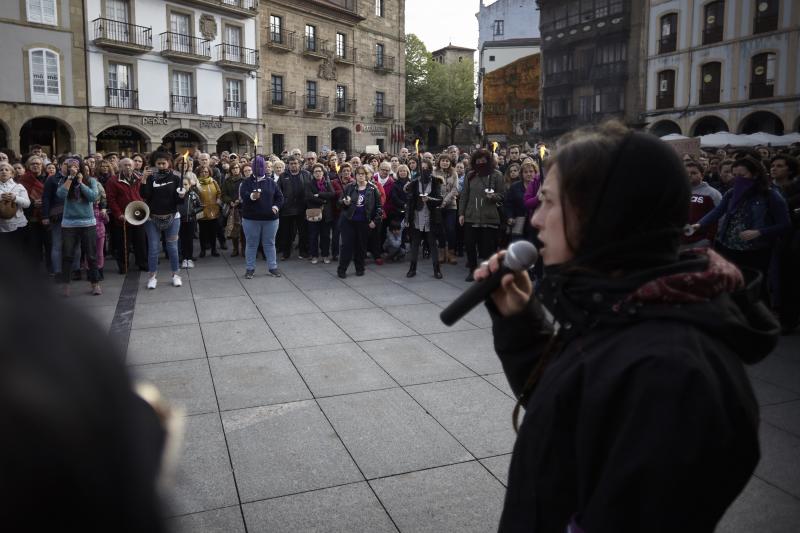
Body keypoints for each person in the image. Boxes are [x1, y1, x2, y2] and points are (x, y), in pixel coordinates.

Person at [475, 122, 779, 532]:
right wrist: (520, 322)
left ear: (602, 212)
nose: (536, 220)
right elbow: (571, 408)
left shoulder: (671, 376)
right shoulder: (623, 307)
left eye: (548, 201)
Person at [693, 156, 790, 297]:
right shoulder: (732, 192)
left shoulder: (770, 195)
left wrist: (759, 232)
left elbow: (785, 225)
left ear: (755, 174)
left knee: (753, 287)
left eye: (742, 175)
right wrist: (699, 224)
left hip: (755, 250)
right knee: (731, 284)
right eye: (735, 175)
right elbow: (718, 211)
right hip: (728, 246)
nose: (738, 178)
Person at [56, 158, 102, 296]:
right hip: (69, 224)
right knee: (68, 254)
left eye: (76, 167)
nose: (73, 169)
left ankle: (95, 284)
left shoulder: (91, 181)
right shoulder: (64, 180)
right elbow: (61, 195)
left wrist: (81, 183)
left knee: (91, 255)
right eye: (70, 167)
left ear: (81, 167)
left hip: (87, 223)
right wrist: (70, 178)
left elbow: (93, 197)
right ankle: (66, 285)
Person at [140, 152, 185, 290]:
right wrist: (143, 179)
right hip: (152, 217)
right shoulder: (151, 177)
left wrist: (182, 195)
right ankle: (152, 277)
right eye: (158, 163)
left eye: (163, 163)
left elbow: (178, 200)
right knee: (153, 248)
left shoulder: (176, 177)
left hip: (172, 216)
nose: (161, 166)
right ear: (154, 164)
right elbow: (144, 195)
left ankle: (175, 275)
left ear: (169, 163)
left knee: (172, 247)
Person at [459, 148, 505, 281]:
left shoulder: (497, 175)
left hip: (489, 216)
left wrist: (493, 196)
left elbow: (502, 195)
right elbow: (464, 196)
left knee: (487, 246)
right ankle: (472, 269)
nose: (480, 162)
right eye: (478, 160)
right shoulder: (470, 175)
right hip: (471, 215)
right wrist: (461, 213)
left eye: (483, 160)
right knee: (469, 244)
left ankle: (487, 270)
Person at [240, 156, 284, 279]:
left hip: (270, 219)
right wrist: (252, 196)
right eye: (256, 166)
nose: (259, 168)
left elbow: (280, 197)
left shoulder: (271, 182)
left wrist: (275, 207)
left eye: (261, 166)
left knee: (269, 243)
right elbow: (243, 196)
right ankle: (250, 268)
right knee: (251, 244)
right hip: (251, 219)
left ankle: (272, 267)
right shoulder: (246, 182)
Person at [337, 165, 381, 278]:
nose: (360, 176)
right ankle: (342, 269)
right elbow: (339, 203)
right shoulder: (349, 187)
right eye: (358, 174)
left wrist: (375, 221)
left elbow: (379, 207)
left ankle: (360, 268)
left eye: (363, 174)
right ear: (355, 175)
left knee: (361, 247)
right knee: (347, 246)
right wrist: (344, 202)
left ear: (367, 176)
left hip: (364, 222)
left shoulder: (372, 189)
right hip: (349, 221)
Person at [106, 158, 147, 274]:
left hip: (139, 215)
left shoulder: (139, 178)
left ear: (133, 166)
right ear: (120, 167)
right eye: (125, 165)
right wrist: (118, 214)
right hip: (123, 217)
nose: (128, 167)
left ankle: (142, 263)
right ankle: (124, 265)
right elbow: (111, 199)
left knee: (141, 241)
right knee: (123, 243)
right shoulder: (113, 181)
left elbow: (144, 194)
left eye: (129, 165)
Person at [405, 159, 443, 279]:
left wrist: (430, 199)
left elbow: (440, 199)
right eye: (422, 168)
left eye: (426, 168)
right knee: (415, 244)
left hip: (430, 216)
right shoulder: (414, 182)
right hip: (417, 216)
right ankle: (412, 268)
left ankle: (437, 269)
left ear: (430, 169)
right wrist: (407, 218)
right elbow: (409, 200)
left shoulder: (436, 182)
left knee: (432, 244)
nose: (424, 170)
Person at [683, 160, 722, 249]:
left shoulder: (712, 193)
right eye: (686, 173)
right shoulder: (679, 191)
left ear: (702, 174)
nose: (689, 175)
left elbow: (721, 217)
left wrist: (709, 238)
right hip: (679, 241)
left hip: (701, 241)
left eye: (693, 173)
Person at [277, 156, 310, 260]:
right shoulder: (283, 176)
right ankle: (286, 253)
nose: (293, 165)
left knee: (303, 232)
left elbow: (311, 188)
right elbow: (278, 192)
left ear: (299, 164)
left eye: (295, 163)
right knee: (287, 232)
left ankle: (303, 251)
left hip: (302, 208)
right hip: (287, 209)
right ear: (288, 165)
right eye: (291, 164)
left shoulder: (306, 174)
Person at [305, 163, 336, 264]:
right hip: (314, 213)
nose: (318, 173)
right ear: (312, 173)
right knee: (313, 236)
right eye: (316, 172)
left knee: (325, 236)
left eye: (320, 171)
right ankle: (314, 255)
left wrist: (319, 194)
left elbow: (332, 194)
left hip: (326, 214)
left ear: (323, 172)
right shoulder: (309, 184)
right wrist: (323, 201)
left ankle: (325, 255)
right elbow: (309, 197)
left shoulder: (327, 183)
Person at [0, 161, 31, 247]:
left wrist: (15, 198)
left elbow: (27, 204)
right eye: (1, 170)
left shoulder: (19, 187)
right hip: (1, 225)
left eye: (7, 169)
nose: (3, 171)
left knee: (18, 252)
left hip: (18, 224)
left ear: (12, 174)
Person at [436, 154, 459, 265]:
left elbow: (455, 189)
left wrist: (445, 201)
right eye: (443, 160)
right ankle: (441, 251)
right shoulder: (435, 173)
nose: (445, 162)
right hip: (438, 205)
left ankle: (451, 252)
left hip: (451, 205)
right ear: (439, 162)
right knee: (440, 230)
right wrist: (439, 200)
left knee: (450, 229)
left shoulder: (454, 173)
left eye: (447, 161)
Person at [196, 167, 222, 258]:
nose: (204, 173)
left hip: (214, 210)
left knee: (213, 232)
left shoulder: (213, 181)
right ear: (199, 173)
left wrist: (218, 199)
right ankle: (202, 250)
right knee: (202, 232)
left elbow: (219, 192)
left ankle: (214, 249)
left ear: (209, 172)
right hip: (202, 211)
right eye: (202, 172)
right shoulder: (196, 183)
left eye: (206, 172)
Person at [179, 172, 202, 269]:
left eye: (186, 184)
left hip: (191, 220)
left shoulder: (193, 195)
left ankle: (189, 258)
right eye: (182, 184)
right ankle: (184, 258)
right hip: (180, 221)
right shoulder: (177, 195)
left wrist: (193, 211)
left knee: (189, 240)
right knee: (182, 239)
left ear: (189, 185)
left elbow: (200, 206)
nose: (184, 186)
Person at [221, 161, 244, 257]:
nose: (235, 170)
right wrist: (230, 201)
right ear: (230, 170)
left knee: (243, 229)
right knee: (234, 228)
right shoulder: (227, 181)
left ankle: (243, 248)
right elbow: (223, 195)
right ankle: (235, 249)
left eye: (237, 168)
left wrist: (239, 200)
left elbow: (245, 192)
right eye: (233, 168)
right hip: (232, 208)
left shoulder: (244, 180)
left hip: (242, 207)